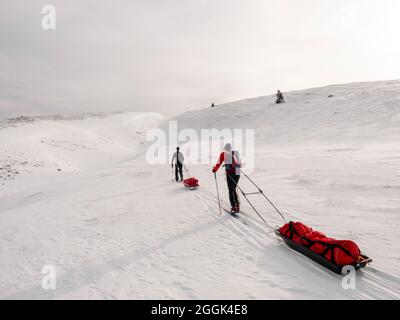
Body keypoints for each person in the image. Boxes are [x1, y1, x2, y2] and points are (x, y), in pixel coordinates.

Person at [212, 143, 241, 213]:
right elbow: (239, 162)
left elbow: (218, 163)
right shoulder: (235, 152)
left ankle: (234, 207)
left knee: (231, 190)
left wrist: (215, 169)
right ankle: (237, 206)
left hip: (230, 173)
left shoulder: (223, 154)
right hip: (237, 173)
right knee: (233, 189)